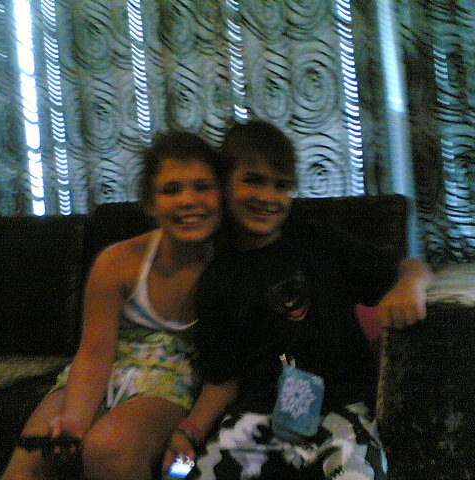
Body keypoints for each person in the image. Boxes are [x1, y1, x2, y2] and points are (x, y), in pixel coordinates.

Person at [162, 120, 434, 479]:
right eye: (253, 180)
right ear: (225, 186)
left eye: (281, 186)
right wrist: (188, 433)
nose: (268, 197)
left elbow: (410, 267)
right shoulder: (217, 278)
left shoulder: (317, 240)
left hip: (339, 409)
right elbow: (222, 381)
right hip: (254, 417)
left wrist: (410, 286)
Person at [0, 130, 222, 480]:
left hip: (170, 381)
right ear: (150, 204)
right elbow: (94, 353)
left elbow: (228, 368)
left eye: (202, 187)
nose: (188, 200)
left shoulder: (230, 269)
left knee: (109, 448)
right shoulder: (118, 262)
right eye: (171, 190)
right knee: (29, 463)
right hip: (103, 372)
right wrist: (74, 420)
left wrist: (190, 430)